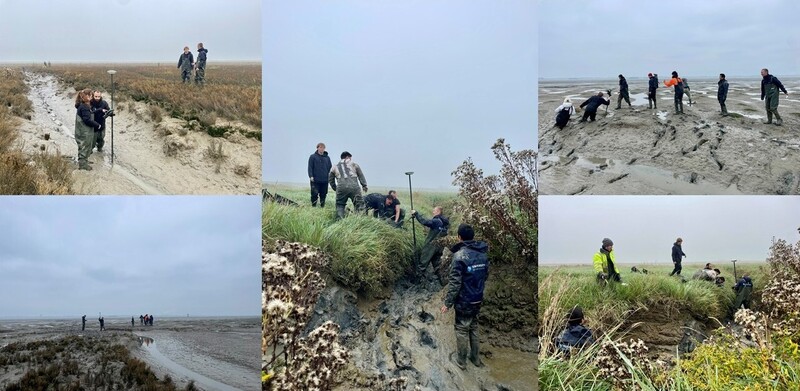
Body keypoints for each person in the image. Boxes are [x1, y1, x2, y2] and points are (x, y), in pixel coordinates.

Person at [440, 223, 489, 370]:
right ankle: (475, 359)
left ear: (459, 237)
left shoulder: (459, 256)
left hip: (464, 300)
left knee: (461, 328)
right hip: (477, 298)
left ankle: (461, 361)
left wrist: (447, 303)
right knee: (473, 326)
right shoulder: (483, 255)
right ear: (473, 237)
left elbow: (455, 283)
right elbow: (485, 276)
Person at [412, 206, 450, 283]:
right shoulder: (445, 223)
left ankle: (416, 281)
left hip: (431, 246)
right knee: (437, 265)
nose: (433, 212)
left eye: (434, 211)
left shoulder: (436, 221)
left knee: (423, 263)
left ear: (438, 212)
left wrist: (416, 214)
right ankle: (443, 281)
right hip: (440, 247)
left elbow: (425, 222)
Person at [328, 151, 368, 219]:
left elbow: (330, 179)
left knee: (340, 205)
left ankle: (340, 220)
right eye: (350, 158)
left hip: (341, 187)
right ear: (347, 157)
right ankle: (360, 220)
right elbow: (361, 175)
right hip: (354, 187)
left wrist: (335, 188)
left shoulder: (334, 166)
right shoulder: (354, 164)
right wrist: (364, 185)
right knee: (359, 205)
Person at [74, 89, 101, 170]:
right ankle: (82, 164)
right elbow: (87, 120)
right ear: (85, 97)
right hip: (84, 132)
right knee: (84, 147)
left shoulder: (84, 105)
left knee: (87, 146)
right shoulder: (84, 107)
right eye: (89, 95)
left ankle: (85, 161)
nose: (91, 97)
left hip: (84, 131)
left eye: (91, 95)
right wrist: (97, 125)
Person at [308, 142, 332, 207]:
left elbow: (330, 168)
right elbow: (310, 167)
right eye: (320, 147)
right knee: (314, 194)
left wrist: (330, 177)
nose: (322, 149)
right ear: (317, 148)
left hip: (325, 180)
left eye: (323, 147)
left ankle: (322, 206)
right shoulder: (312, 157)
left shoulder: (327, 158)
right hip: (315, 179)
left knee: (323, 194)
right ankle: (313, 206)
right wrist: (311, 176)